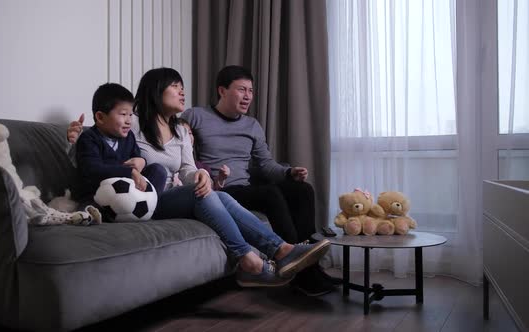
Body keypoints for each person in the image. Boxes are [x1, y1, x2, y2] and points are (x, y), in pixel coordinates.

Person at [68, 70, 331, 288]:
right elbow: (102, 134)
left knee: (216, 194)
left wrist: (202, 175)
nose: (182, 92)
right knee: (203, 194)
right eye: (175, 86)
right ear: (155, 91)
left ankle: (277, 251)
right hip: (145, 198)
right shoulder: (133, 122)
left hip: (171, 196)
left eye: (182, 87)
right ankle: (254, 257)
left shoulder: (181, 130)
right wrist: (74, 137)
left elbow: (187, 170)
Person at [180, 65, 340, 296]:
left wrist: (289, 172)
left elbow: (266, 165)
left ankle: (310, 267)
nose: (248, 96)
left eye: (251, 91)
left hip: (245, 188)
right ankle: (299, 272)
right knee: (269, 193)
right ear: (222, 91)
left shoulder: (252, 125)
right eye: (242, 90)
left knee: (302, 189)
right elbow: (182, 152)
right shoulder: (195, 116)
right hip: (220, 190)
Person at [73, 83, 167, 211]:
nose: (129, 121)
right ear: (100, 117)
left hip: (129, 193)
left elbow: (136, 157)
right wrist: (129, 172)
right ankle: (91, 214)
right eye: (123, 114)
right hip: (98, 193)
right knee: (89, 205)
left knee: (158, 170)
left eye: (130, 115)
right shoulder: (89, 139)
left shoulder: (129, 137)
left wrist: (141, 161)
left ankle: (151, 208)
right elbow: (92, 169)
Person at [176, 117, 230, 190]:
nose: (187, 137)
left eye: (189, 133)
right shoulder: (174, 166)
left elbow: (212, 188)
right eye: (182, 134)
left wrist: (221, 178)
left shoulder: (202, 167)